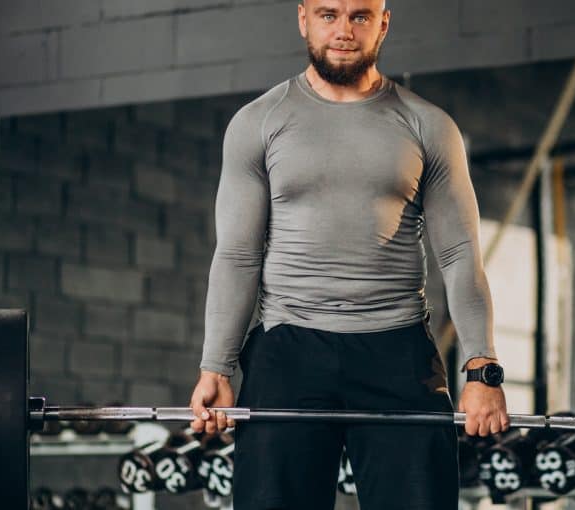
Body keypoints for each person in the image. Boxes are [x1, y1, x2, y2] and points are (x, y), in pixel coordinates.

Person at [190, 0, 510, 508]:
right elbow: (236, 256)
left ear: (383, 23)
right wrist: (217, 367)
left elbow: (459, 254)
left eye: (360, 15)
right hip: (288, 349)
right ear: (303, 19)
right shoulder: (258, 123)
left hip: (397, 350)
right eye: (328, 14)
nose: (343, 30)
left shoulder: (428, 126)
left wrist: (482, 369)